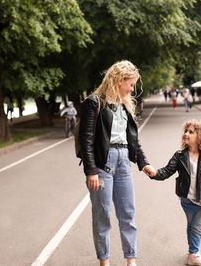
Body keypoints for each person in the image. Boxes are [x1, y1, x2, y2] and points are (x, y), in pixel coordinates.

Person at [79, 60, 155, 266]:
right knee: (102, 215)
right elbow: (86, 139)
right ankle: (105, 261)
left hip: (123, 163)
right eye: (130, 84)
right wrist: (91, 170)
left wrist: (144, 162)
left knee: (127, 214)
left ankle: (131, 260)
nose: (132, 89)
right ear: (119, 80)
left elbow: (133, 140)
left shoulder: (125, 105)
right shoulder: (94, 103)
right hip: (103, 164)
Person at [147, 120, 201, 266]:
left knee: (197, 227)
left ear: (200, 137)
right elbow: (167, 171)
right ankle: (193, 251)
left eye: (191, 132)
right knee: (191, 226)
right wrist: (154, 173)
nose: (186, 134)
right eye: (186, 131)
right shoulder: (179, 156)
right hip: (186, 200)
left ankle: (194, 254)